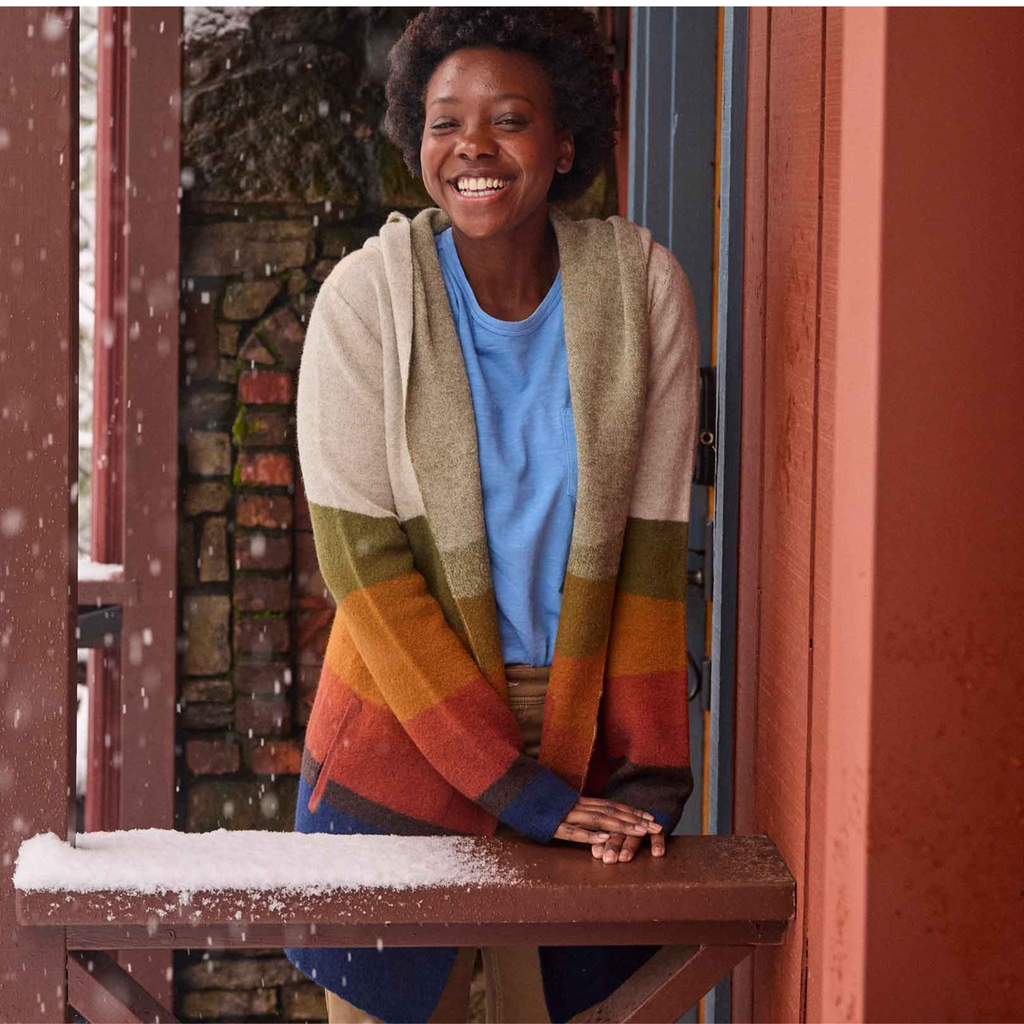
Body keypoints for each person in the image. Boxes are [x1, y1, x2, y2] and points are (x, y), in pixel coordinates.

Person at [283, 8, 700, 1023]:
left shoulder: (640, 291)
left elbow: (649, 556)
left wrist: (648, 780)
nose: (471, 145)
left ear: (564, 146)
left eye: (508, 119)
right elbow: (368, 581)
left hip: (578, 727)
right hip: (399, 723)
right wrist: (512, 789)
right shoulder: (363, 305)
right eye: (444, 121)